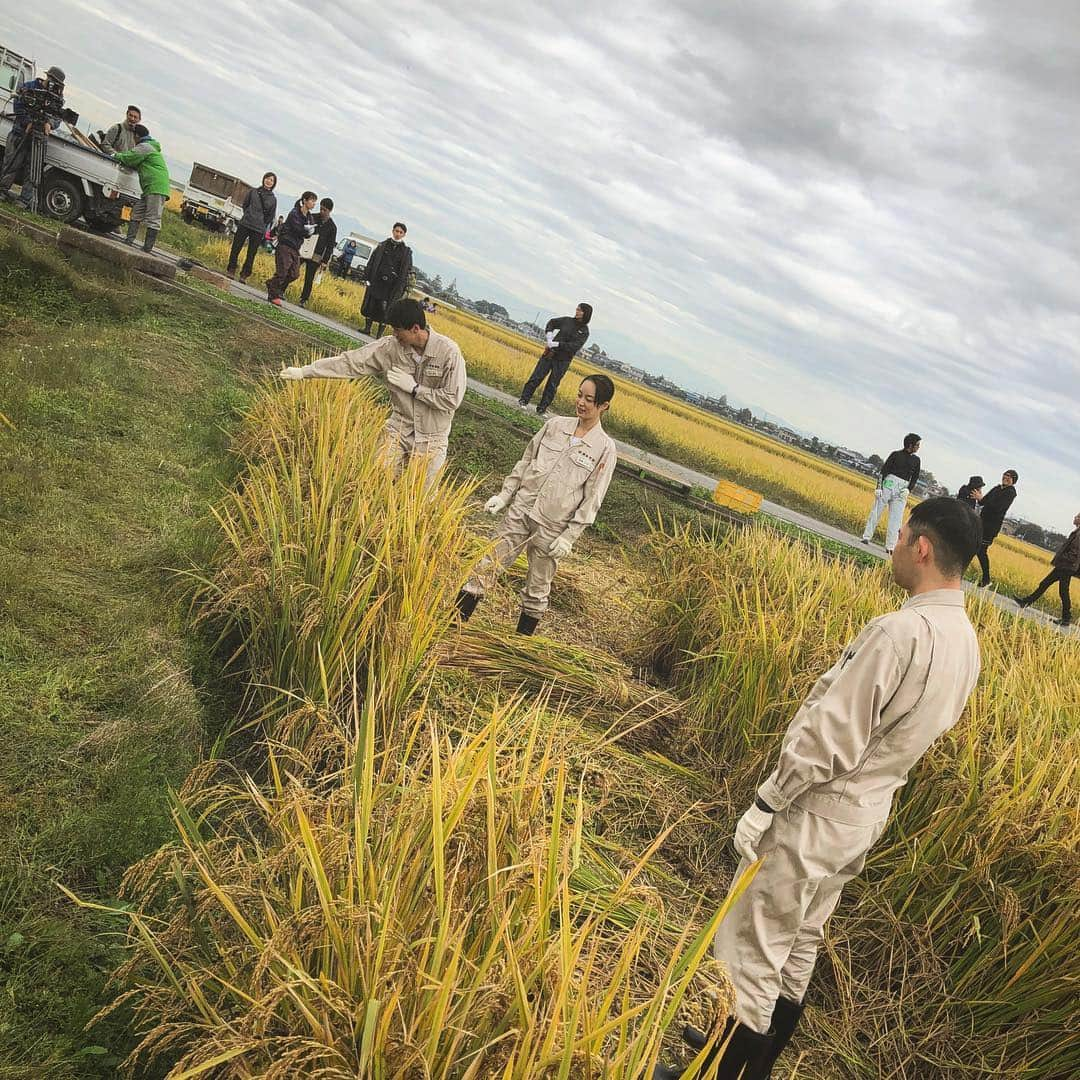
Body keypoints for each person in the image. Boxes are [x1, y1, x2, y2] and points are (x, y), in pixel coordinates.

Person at [653, 497, 982, 1080]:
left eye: (902, 535)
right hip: (866, 813)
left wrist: (767, 802)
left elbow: (830, 736)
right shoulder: (965, 639)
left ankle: (718, 1073)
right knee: (802, 938)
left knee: (754, 948)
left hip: (818, 810)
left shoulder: (900, 632)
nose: (895, 544)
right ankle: (753, 1059)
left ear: (923, 547)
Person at [455, 374, 617, 635]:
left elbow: (592, 498)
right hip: (521, 510)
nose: (581, 403)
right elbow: (526, 461)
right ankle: (454, 625)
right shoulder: (555, 426)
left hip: (552, 527)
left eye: (589, 399)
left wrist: (569, 537)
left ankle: (520, 645)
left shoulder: (604, 449)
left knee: (537, 588)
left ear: (604, 406)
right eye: (579, 395)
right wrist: (505, 495)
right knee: (487, 566)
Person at [277, 298, 465, 483]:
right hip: (399, 429)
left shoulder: (449, 353)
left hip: (432, 438)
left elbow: (452, 399)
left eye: (398, 330)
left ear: (415, 328)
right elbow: (352, 362)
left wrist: (415, 389)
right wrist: (305, 372)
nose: (394, 335)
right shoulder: (390, 347)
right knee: (375, 479)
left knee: (418, 499)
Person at [0, 65, 66, 211]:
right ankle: (2, 190)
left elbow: (58, 117)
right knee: (12, 162)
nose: (52, 84)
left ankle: (25, 200)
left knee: (32, 169)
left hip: (39, 137)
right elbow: (18, 105)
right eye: (51, 80)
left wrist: (50, 123)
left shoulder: (57, 98)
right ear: (47, 77)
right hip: (20, 132)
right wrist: (27, 122)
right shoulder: (30, 87)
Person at [517, 303, 593, 417]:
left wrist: (557, 344)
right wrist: (549, 336)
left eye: (580, 310)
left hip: (563, 361)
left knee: (552, 385)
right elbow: (551, 323)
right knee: (536, 377)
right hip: (550, 355)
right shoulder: (567, 321)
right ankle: (523, 400)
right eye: (577, 309)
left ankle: (542, 408)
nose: (577, 311)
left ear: (585, 313)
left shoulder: (584, 331)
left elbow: (574, 347)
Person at [112, 125, 170, 253]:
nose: (133, 139)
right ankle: (129, 240)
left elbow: (129, 158)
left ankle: (147, 248)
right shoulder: (149, 147)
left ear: (137, 136)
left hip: (156, 187)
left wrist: (115, 155)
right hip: (149, 188)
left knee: (153, 218)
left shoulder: (145, 147)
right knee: (136, 212)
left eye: (133, 136)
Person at [860, 433, 922, 553]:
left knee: (896, 519)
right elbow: (883, 471)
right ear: (910, 444)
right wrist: (879, 487)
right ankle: (866, 537)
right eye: (917, 445)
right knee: (876, 511)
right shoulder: (895, 454)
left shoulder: (916, 460)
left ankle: (890, 546)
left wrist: (909, 489)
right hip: (888, 484)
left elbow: (915, 478)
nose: (918, 447)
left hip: (902, 489)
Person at [1017, 512, 1079, 628]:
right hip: (1064, 566)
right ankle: (1026, 602)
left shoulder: (1079, 534)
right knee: (1045, 584)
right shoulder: (1077, 532)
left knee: (1062, 591)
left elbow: (1074, 554)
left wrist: (1062, 558)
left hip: (1066, 566)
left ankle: (1066, 618)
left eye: (1077, 517)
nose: (1074, 518)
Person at [361, 222, 412, 337]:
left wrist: (403, 287)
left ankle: (379, 334)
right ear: (392, 231)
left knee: (386, 309)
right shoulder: (382, 245)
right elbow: (372, 262)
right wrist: (367, 277)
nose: (398, 234)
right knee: (371, 304)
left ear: (404, 234)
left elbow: (407, 271)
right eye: (396, 231)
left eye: (401, 232)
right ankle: (367, 328)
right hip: (377, 281)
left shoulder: (406, 252)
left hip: (391, 286)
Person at [266, 191, 317, 306]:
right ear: (304, 200)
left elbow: (308, 234)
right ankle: (273, 295)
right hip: (285, 244)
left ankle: (271, 283)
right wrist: (305, 230)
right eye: (312, 200)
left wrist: (309, 231)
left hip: (296, 247)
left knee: (294, 274)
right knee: (282, 271)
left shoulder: (309, 217)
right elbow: (296, 228)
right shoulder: (295, 213)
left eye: (315, 201)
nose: (314, 203)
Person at [227, 172, 277, 281]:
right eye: (267, 178)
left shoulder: (273, 199)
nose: (269, 181)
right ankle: (231, 269)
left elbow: (270, 216)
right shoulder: (253, 191)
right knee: (236, 247)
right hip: (245, 223)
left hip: (258, 229)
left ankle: (244, 274)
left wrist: (262, 222)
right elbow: (245, 205)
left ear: (274, 184)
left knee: (251, 253)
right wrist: (248, 215)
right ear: (263, 179)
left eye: (271, 180)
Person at [974, 470, 1018, 587]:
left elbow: (998, 507)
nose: (1006, 477)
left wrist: (983, 499)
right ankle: (986, 579)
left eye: (1009, 477)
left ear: (1013, 481)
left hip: (991, 526)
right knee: (975, 547)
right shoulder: (996, 488)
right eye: (1005, 475)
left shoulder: (1010, 492)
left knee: (981, 550)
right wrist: (978, 495)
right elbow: (983, 501)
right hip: (981, 521)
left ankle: (986, 579)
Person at [297, 197, 337, 306]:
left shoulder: (332, 227)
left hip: (317, 255)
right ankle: (281, 288)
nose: (322, 212)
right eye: (321, 209)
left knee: (309, 278)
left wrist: (324, 261)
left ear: (330, 211)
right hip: (305, 249)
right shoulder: (313, 217)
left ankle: (304, 299)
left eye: (325, 210)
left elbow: (330, 246)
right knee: (293, 270)